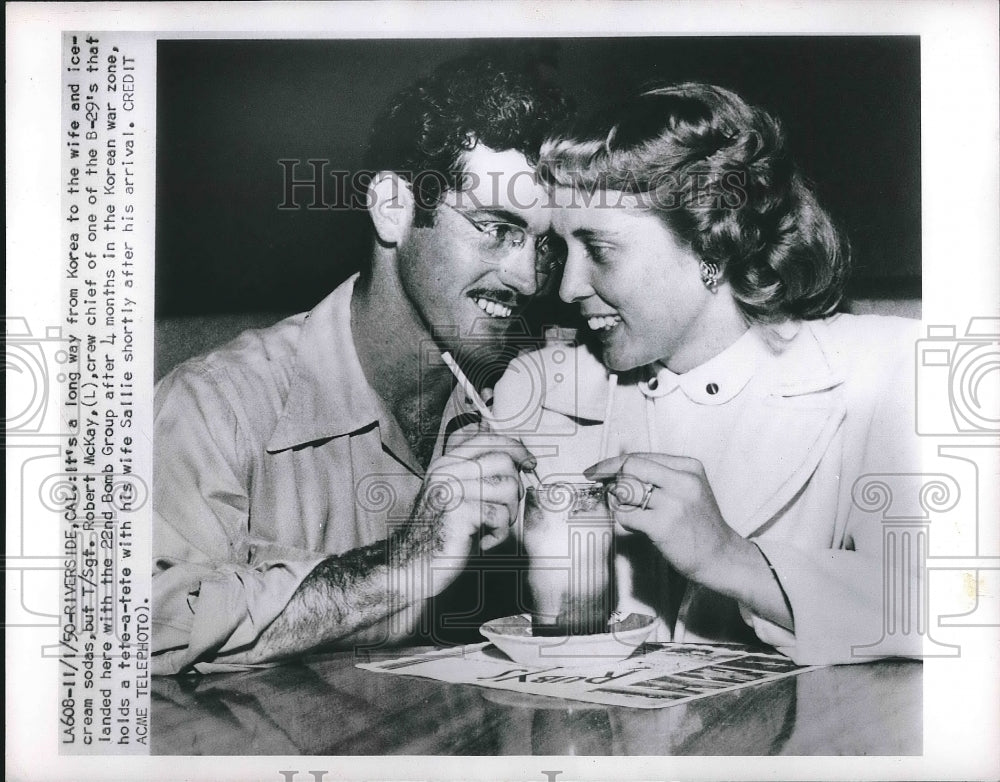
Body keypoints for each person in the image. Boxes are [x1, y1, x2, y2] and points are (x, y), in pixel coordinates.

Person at [152, 56, 569, 674]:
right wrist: (402, 565)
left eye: (545, 245)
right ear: (393, 208)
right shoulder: (218, 407)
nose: (529, 277)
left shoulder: (525, 397)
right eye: (495, 228)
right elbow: (138, 629)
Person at [492, 82, 922, 665]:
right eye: (561, 250)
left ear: (713, 242)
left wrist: (728, 557)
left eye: (600, 249)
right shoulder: (538, 393)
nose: (567, 288)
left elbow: (959, 604)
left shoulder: (888, 373)